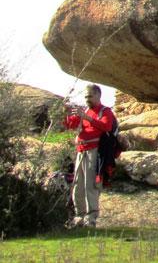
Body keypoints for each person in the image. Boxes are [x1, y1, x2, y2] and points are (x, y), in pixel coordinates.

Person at [64, 84, 114, 228]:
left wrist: (87, 118)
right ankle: (79, 216)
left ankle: (90, 218)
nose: (87, 99)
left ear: (98, 95)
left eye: (90, 96)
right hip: (81, 150)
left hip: (94, 151)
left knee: (90, 184)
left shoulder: (105, 111)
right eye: (86, 96)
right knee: (78, 184)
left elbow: (107, 126)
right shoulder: (85, 110)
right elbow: (70, 125)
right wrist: (67, 113)